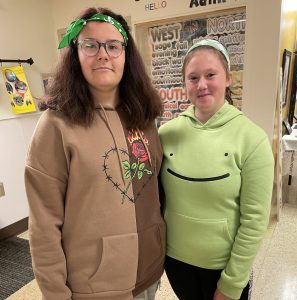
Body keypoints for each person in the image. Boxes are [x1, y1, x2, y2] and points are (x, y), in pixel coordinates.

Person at [25, 7, 166, 300]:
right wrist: (55, 294)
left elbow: (155, 193)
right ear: (75, 54)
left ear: (127, 55)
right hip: (92, 289)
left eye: (113, 45)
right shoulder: (56, 125)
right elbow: (44, 224)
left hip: (149, 275)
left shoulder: (145, 117)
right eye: (90, 44)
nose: (103, 54)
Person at [158, 39, 274, 300]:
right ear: (185, 83)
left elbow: (255, 220)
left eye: (211, 75)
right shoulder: (166, 134)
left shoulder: (252, 139)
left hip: (223, 268)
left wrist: (232, 283)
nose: (201, 85)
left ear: (228, 78)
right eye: (193, 77)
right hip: (175, 263)